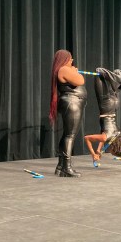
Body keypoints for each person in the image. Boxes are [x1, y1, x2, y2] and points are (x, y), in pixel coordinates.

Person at [84, 68, 121, 164]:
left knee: (116, 72)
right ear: (116, 148)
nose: (111, 153)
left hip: (114, 104)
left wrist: (98, 150)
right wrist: (93, 154)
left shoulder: (117, 134)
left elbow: (104, 134)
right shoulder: (106, 138)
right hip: (106, 104)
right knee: (99, 71)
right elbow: (87, 138)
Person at [49, 49, 87, 177]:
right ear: (65, 59)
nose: (72, 60)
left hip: (73, 103)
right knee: (70, 135)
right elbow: (80, 81)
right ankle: (67, 167)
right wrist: (74, 72)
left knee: (67, 134)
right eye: (70, 58)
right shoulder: (64, 69)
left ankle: (60, 167)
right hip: (72, 103)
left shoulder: (63, 69)